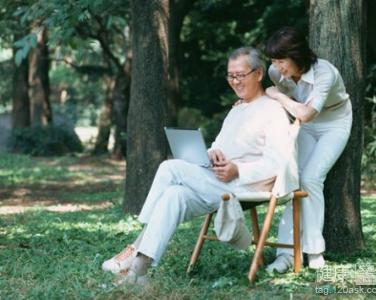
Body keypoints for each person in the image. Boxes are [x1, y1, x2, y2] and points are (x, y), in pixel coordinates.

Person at [101, 47, 299, 284]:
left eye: (240, 75)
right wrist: (211, 153)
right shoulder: (237, 110)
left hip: (246, 186)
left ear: (258, 74)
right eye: (230, 76)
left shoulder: (272, 110)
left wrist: (238, 170)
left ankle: (135, 244)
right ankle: (139, 271)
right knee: (174, 194)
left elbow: (276, 164)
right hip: (218, 181)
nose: (234, 81)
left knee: (169, 168)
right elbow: (220, 145)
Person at [262, 27, 353, 273]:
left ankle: (314, 253)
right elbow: (275, 101)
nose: (277, 66)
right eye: (274, 60)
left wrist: (278, 97)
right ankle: (285, 254)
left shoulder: (325, 72)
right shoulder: (274, 72)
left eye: (282, 60)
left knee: (311, 178)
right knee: (294, 180)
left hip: (334, 122)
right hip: (304, 125)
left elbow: (306, 112)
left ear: (298, 56)